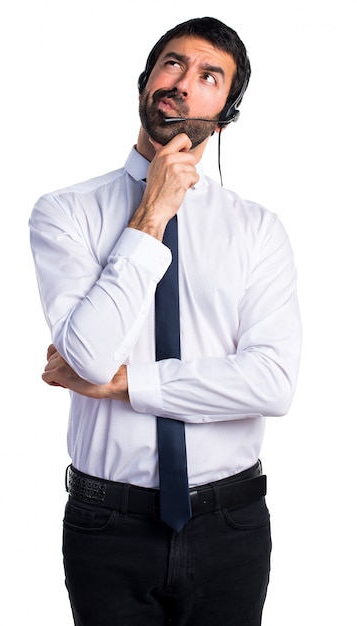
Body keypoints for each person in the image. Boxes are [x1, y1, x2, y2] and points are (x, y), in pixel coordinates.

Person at [29, 16, 301, 626]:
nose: (184, 83)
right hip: (107, 525)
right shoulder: (65, 213)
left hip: (230, 523)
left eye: (209, 76)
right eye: (173, 64)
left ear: (226, 111)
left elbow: (272, 384)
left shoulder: (257, 230)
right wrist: (152, 212)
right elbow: (89, 358)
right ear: (146, 81)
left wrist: (129, 384)